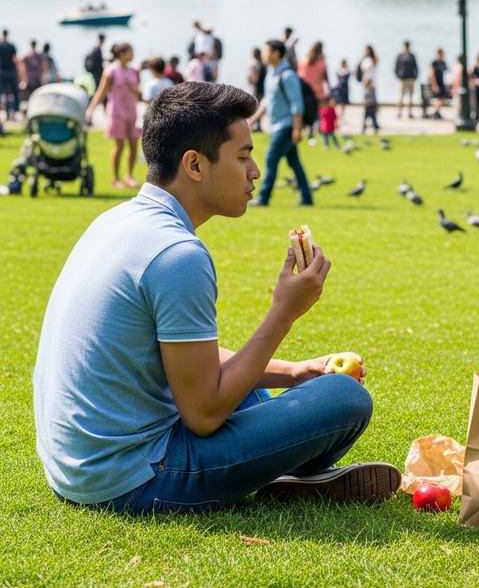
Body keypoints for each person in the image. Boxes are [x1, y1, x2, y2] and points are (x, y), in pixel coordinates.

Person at [33, 81, 399, 514]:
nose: (255, 172)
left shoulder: (117, 221)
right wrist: (285, 312)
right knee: (345, 399)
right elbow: (203, 415)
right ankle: (284, 471)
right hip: (132, 480)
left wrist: (296, 373)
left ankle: (281, 468)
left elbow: (187, 359)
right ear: (194, 165)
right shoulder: (177, 255)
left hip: (74, 468)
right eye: (242, 156)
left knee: (266, 388)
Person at [249, 39, 313, 207]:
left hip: (286, 126)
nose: (264, 55)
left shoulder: (288, 75)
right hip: (278, 125)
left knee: (271, 159)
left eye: (267, 51)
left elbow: (297, 104)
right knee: (294, 163)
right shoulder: (272, 73)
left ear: (277, 53)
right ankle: (307, 198)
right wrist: (254, 119)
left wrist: (297, 129)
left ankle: (264, 198)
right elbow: (268, 101)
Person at [86, 42, 142, 189]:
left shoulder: (135, 71)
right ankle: (116, 178)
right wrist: (91, 109)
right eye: (130, 51)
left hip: (131, 110)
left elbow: (139, 93)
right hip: (117, 111)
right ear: (122, 55)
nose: (133, 54)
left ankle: (129, 176)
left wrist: (136, 90)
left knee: (134, 144)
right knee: (120, 145)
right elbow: (101, 92)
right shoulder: (111, 72)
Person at [0, 28, 21, 122]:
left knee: (3, 92)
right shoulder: (11, 46)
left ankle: (6, 109)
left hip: (2, 71)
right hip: (11, 71)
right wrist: (20, 73)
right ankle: (15, 110)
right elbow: (15, 59)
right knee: (15, 92)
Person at [394, 40, 418, 119]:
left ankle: (409, 113)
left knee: (410, 97)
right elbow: (396, 67)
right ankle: (399, 112)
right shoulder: (401, 55)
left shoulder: (411, 56)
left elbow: (416, 67)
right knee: (401, 96)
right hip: (403, 79)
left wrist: (415, 77)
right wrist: (398, 76)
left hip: (409, 78)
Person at [428, 48, 448, 120]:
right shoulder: (434, 63)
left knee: (443, 98)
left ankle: (437, 111)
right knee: (438, 98)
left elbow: (447, 71)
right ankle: (436, 112)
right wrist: (434, 84)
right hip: (436, 83)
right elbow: (431, 73)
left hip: (441, 83)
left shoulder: (443, 63)